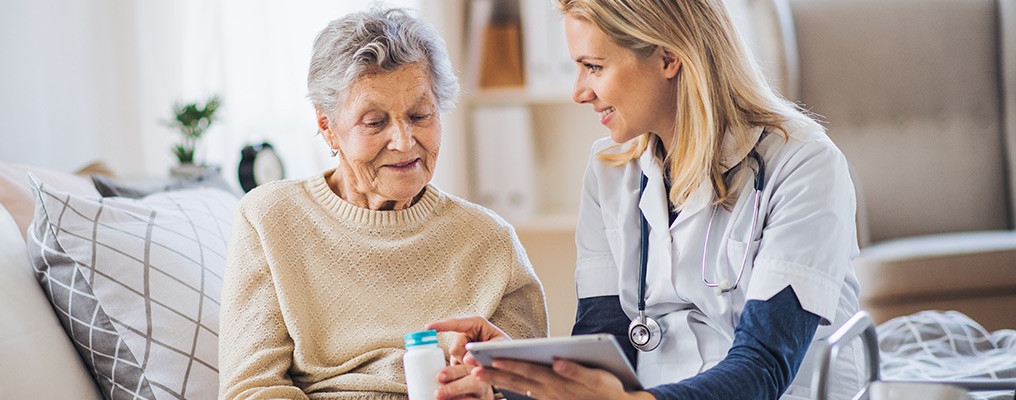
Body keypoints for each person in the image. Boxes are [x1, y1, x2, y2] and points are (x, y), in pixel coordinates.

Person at [429, 0, 863, 399]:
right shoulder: (610, 171)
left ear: (668, 57)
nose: (579, 91)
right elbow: (605, 343)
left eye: (594, 67)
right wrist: (518, 373)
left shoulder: (804, 164)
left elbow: (763, 367)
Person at [218, 7, 548, 400]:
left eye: (420, 115)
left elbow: (534, 390)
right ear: (327, 126)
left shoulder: (491, 243)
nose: (405, 141)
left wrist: (494, 393)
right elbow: (253, 390)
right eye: (375, 122)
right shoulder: (270, 219)